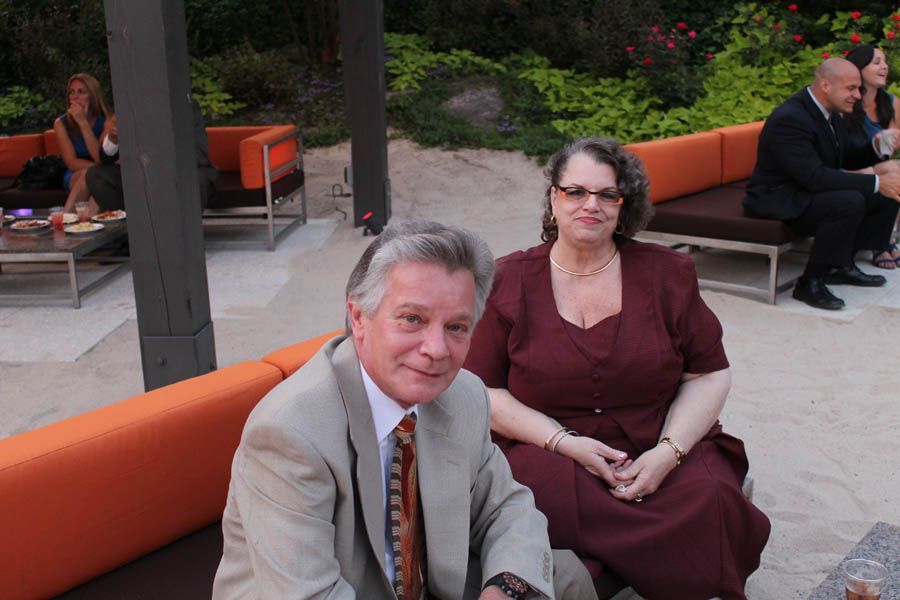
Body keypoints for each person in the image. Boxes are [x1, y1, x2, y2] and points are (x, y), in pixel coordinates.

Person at [212, 220, 596, 600]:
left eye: (457, 327)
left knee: (564, 578)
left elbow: (506, 508)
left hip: (428, 581)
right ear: (359, 317)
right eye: (413, 319)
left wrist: (504, 590)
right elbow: (310, 593)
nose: (437, 349)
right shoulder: (290, 434)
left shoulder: (463, 395)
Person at [463, 138, 771, 600]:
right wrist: (564, 443)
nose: (592, 205)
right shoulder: (507, 280)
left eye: (608, 195)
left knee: (714, 501)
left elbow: (709, 374)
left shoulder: (668, 272)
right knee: (532, 496)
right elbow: (483, 390)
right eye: (576, 192)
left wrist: (668, 454)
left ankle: (593, 561)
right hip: (551, 448)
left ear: (625, 204)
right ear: (553, 197)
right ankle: (646, 556)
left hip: (658, 437)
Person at [743, 58, 900, 310]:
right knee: (850, 200)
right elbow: (814, 177)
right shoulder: (791, 118)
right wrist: (876, 181)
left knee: (887, 191)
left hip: (804, 189)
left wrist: (878, 147)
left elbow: (846, 156)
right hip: (777, 197)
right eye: (851, 89)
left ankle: (841, 264)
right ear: (826, 85)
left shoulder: (828, 112)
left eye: (858, 89)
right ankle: (810, 281)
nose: (858, 96)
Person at [86, 97, 218, 214]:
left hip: (180, 170)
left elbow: (199, 153)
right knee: (95, 175)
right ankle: (131, 224)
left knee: (193, 182)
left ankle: (180, 232)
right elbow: (106, 159)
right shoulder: (130, 105)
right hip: (143, 171)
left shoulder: (185, 105)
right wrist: (114, 138)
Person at [844, 44, 900, 269]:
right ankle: (883, 243)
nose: (884, 67)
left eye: (885, 62)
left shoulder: (891, 102)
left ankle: (886, 240)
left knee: (894, 170)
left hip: (878, 169)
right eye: (876, 62)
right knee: (893, 171)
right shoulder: (845, 103)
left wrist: (890, 141)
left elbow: (889, 152)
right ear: (859, 68)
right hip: (847, 171)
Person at [54, 73, 110, 213]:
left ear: (92, 96)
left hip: (103, 170)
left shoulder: (107, 121)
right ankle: (68, 220)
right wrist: (99, 170)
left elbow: (99, 156)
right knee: (90, 175)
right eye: (71, 92)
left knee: (98, 184)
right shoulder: (61, 123)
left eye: (81, 92)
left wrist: (83, 122)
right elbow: (71, 162)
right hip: (77, 173)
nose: (74, 97)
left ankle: (75, 223)